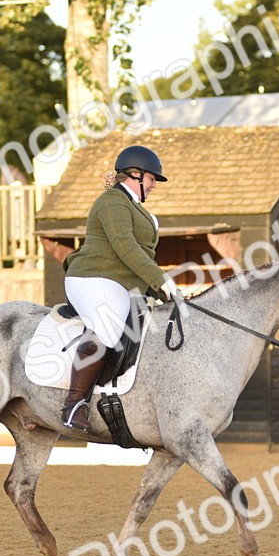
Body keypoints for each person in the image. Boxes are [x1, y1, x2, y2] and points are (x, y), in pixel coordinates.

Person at [60, 144, 181, 431]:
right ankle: (73, 403)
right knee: (110, 328)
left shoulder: (139, 211)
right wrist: (161, 280)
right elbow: (125, 247)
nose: (154, 186)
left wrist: (157, 292)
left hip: (122, 283)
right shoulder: (111, 202)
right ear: (135, 175)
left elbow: (142, 256)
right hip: (93, 277)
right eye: (152, 179)